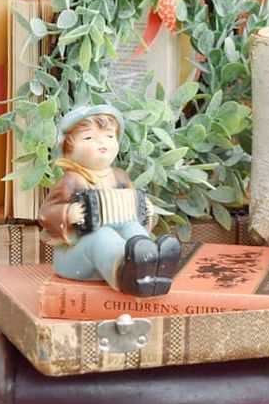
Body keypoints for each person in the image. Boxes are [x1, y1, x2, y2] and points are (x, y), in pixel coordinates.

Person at [38, 104, 181, 297]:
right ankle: (125, 275)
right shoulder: (72, 180)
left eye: (109, 136)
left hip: (123, 248)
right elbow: (45, 213)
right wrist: (67, 214)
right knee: (101, 235)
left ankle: (151, 265)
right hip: (77, 258)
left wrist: (145, 211)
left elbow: (133, 211)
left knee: (133, 229)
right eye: (89, 138)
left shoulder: (120, 177)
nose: (101, 142)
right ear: (67, 149)